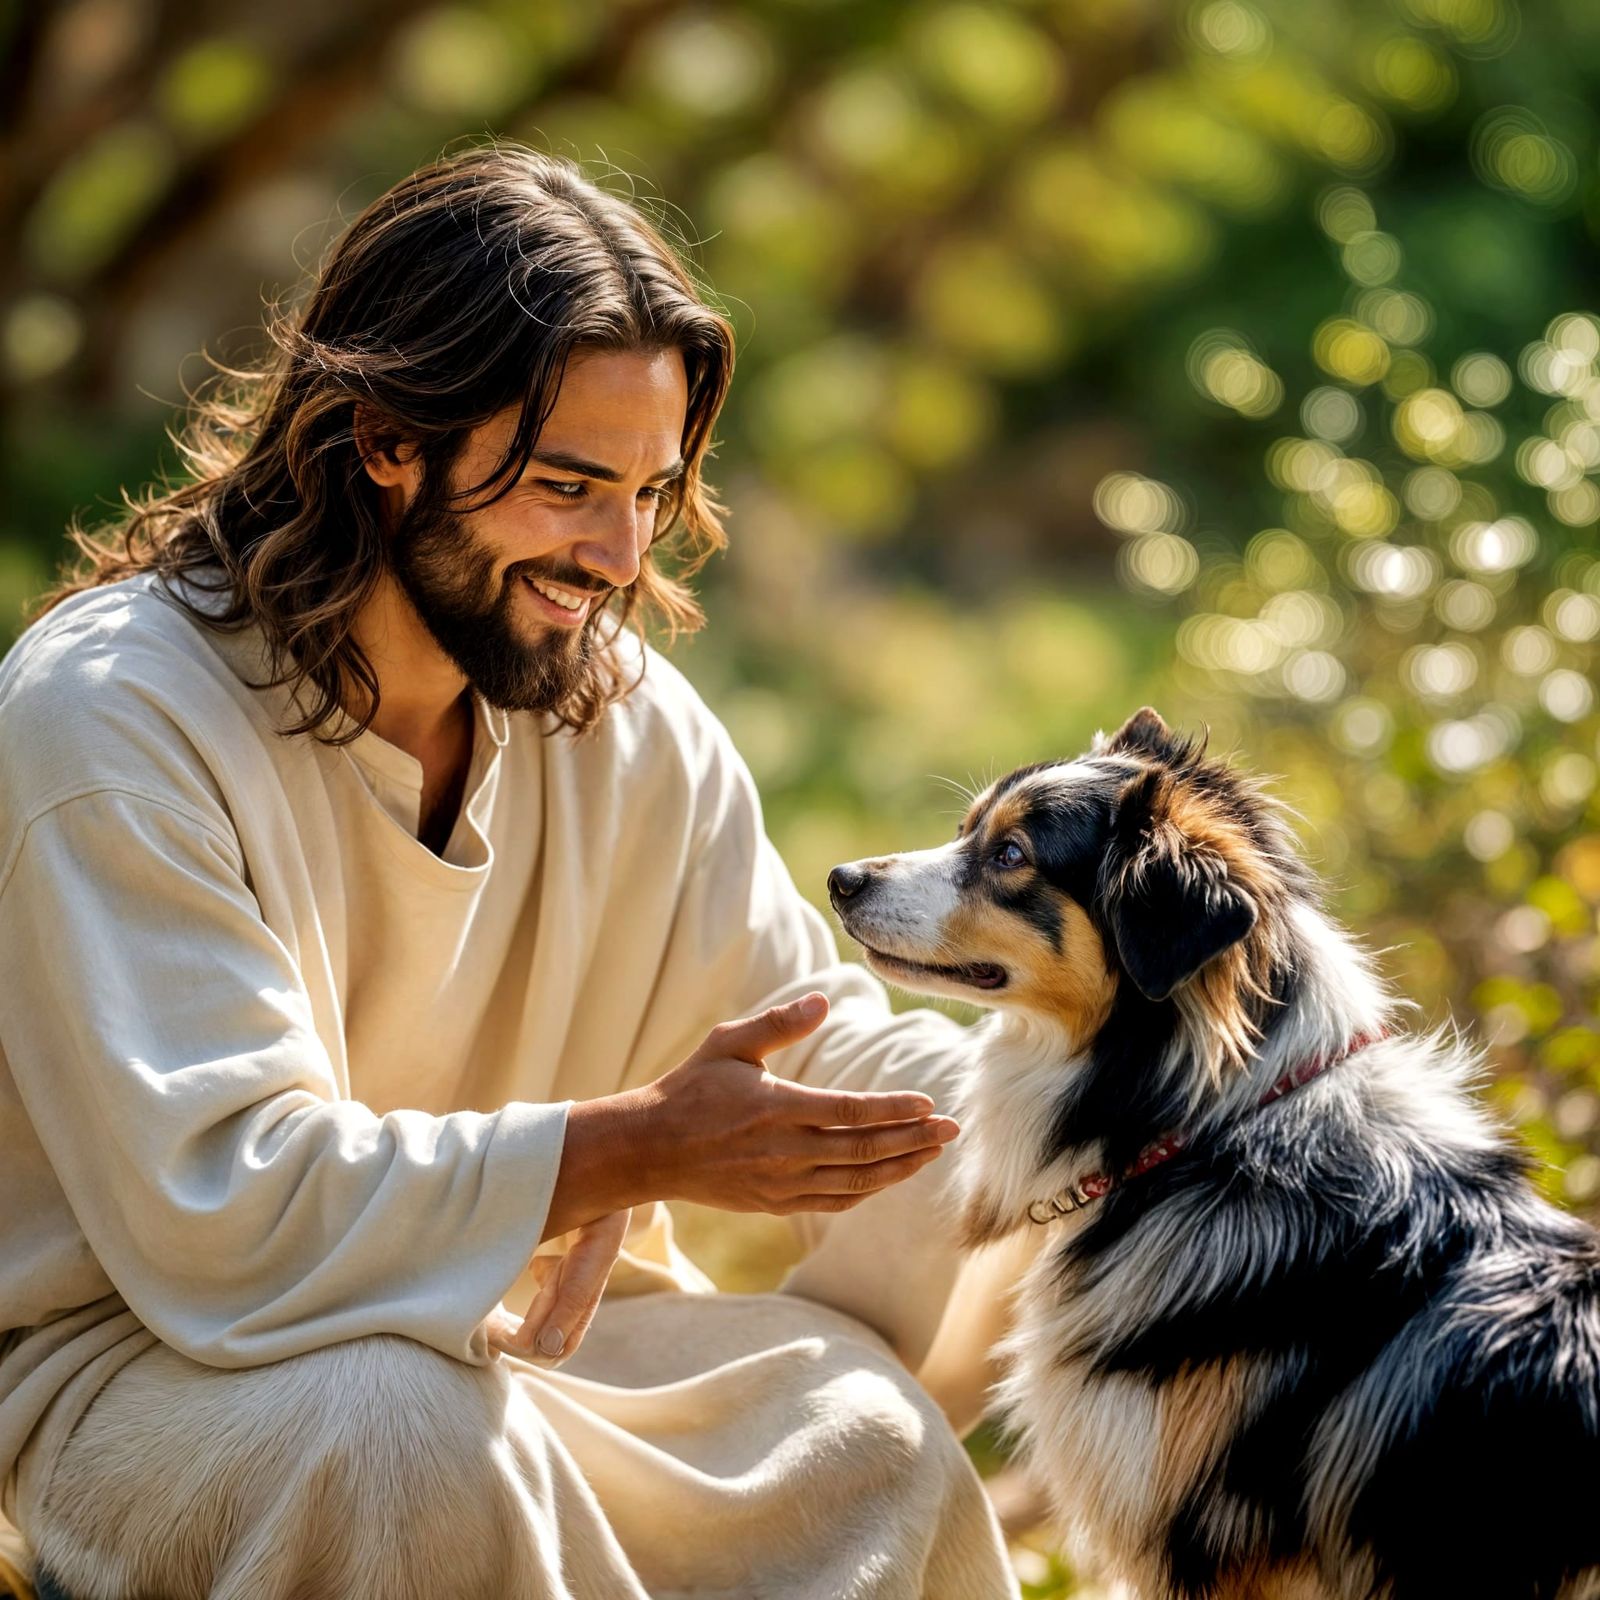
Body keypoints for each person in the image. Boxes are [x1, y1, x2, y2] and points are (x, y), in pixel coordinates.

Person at [0, 143, 1026, 1599]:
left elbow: (798, 1034)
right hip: (157, 1372)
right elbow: (222, 1206)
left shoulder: (615, 715)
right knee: (403, 1436)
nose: (615, 553)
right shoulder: (113, 714)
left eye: (650, 493)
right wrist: (622, 1150)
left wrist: (1061, 1102)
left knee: (854, 1423)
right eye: (565, 486)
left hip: (524, 1347)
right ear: (382, 441)